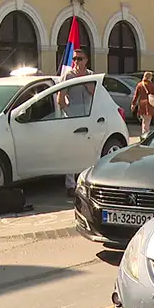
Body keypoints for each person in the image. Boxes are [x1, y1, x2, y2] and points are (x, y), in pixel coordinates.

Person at [60, 48, 94, 197]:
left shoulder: (91, 75)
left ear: (86, 60)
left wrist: (82, 78)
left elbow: (94, 92)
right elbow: (61, 97)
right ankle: (70, 184)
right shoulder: (68, 75)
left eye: (80, 59)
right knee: (71, 151)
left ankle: (86, 183)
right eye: (74, 59)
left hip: (88, 118)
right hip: (73, 119)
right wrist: (68, 111)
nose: (76, 62)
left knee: (87, 151)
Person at [131, 71, 154, 138]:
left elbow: (136, 96)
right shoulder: (152, 85)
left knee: (144, 121)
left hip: (141, 105)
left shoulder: (139, 85)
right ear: (150, 77)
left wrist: (133, 104)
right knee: (146, 121)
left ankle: (144, 134)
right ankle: (145, 136)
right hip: (149, 104)